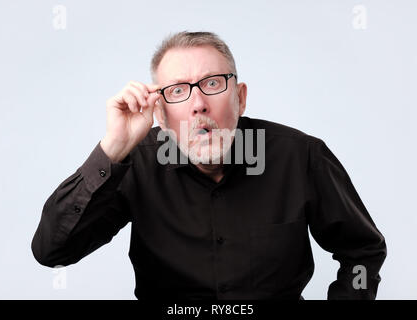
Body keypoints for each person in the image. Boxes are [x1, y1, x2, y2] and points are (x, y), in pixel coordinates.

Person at [31, 31, 387, 300]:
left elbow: (362, 251)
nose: (198, 104)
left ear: (240, 97)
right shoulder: (135, 162)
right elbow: (53, 251)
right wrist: (112, 150)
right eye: (177, 90)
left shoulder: (300, 156)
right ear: (160, 112)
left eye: (212, 83)